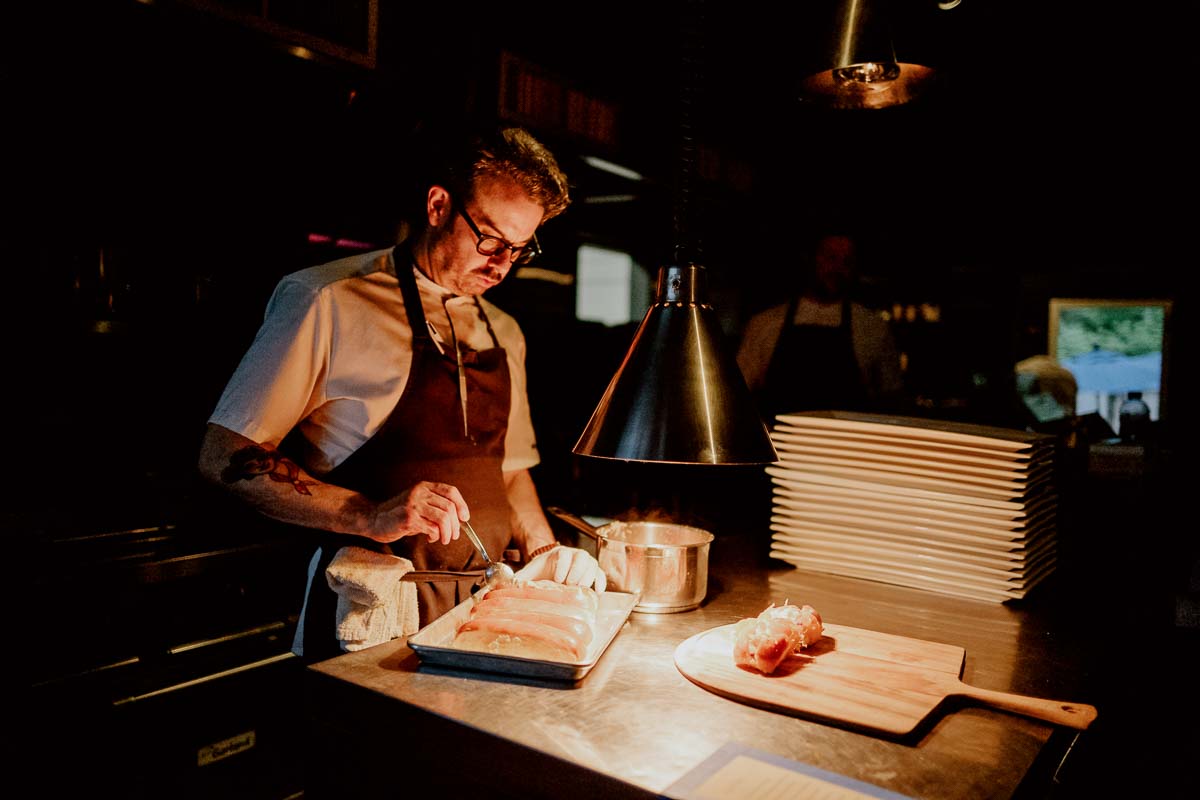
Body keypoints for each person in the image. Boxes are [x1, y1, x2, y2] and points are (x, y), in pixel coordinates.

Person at [197, 123, 605, 663]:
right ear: (438, 206)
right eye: (490, 240)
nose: (501, 265)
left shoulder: (505, 331)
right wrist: (367, 513)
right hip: (372, 610)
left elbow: (509, 470)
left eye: (519, 249)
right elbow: (224, 455)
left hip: (487, 607)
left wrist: (547, 549)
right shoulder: (328, 300)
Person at [736, 232, 904, 424]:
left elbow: (892, 400)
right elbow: (737, 393)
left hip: (847, 447)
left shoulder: (872, 327)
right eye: (830, 257)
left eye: (847, 261)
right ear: (810, 260)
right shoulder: (765, 323)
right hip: (777, 447)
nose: (838, 269)